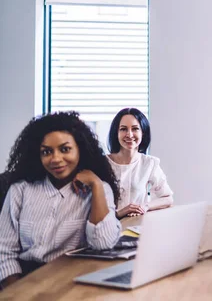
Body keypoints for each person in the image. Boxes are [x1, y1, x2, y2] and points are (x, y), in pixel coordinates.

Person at [0, 111, 121, 289]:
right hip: (24, 281)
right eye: (46, 152)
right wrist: (17, 293)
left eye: (65, 149)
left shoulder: (99, 190)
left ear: (80, 149)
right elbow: (4, 252)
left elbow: (103, 243)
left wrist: (96, 185)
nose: (55, 159)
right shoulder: (21, 189)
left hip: (73, 283)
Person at [107, 108, 173, 218]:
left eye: (135, 129)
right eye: (123, 129)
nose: (129, 134)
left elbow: (168, 198)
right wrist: (120, 212)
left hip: (137, 227)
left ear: (143, 133)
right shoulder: (102, 164)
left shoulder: (150, 163)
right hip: (108, 229)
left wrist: (145, 206)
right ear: (116, 133)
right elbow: (91, 209)